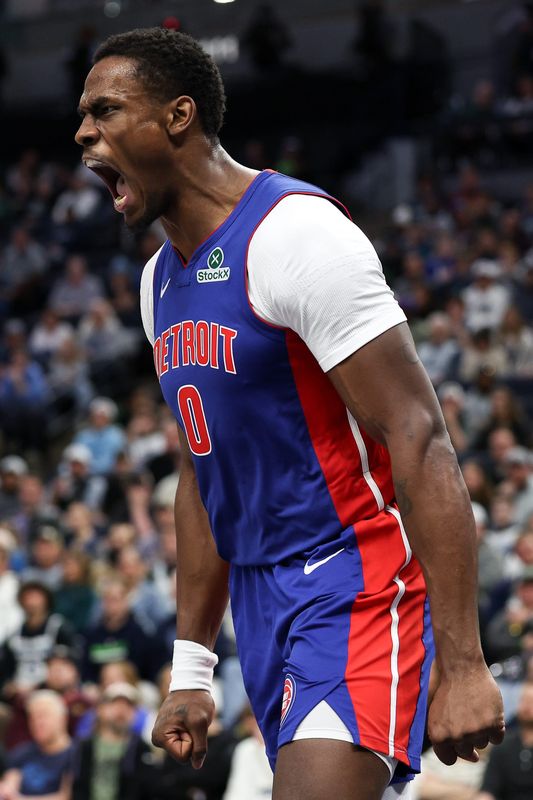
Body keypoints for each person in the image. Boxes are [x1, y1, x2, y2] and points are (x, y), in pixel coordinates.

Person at [75, 28, 504, 800]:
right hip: (260, 598)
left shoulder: (296, 234)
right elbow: (200, 473)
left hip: (356, 573)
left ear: (178, 117)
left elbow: (418, 433)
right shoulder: (155, 285)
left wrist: (464, 662)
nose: (83, 133)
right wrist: (192, 669)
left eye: (105, 110)